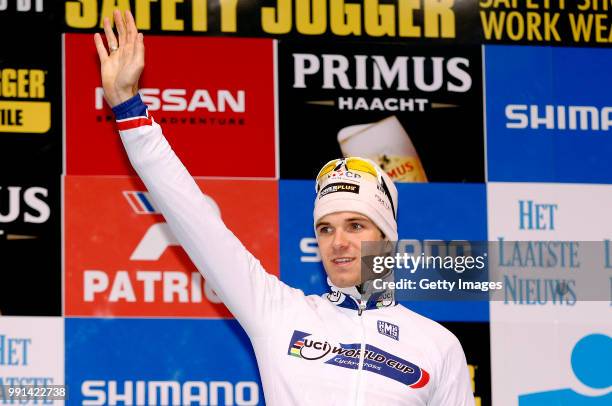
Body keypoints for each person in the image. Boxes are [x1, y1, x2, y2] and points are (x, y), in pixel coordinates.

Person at [94, 9, 475, 405]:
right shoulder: (280, 315)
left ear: (387, 238)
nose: (338, 241)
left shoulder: (438, 347)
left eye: (356, 225)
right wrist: (128, 108)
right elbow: (193, 216)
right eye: (326, 228)